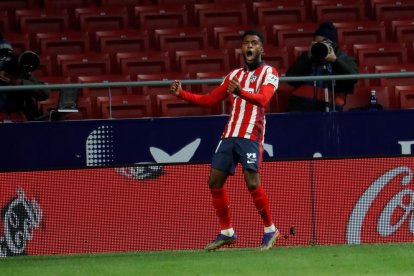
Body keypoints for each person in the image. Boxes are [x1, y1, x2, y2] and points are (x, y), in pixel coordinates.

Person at [169, 29, 280, 251]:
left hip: (251, 135)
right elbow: (210, 100)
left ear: (261, 48)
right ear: (242, 49)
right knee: (214, 182)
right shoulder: (233, 76)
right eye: (246, 43)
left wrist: (241, 93)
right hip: (229, 135)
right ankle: (227, 231)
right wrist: (183, 94)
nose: (249, 46)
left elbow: (264, 99)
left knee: (252, 183)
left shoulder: (270, 72)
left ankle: (270, 230)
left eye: (254, 43)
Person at [285, 21, 359, 112]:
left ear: (333, 45)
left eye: (323, 43)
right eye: (316, 43)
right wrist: (308, 58)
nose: (320, 46)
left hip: (332, 110)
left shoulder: (343, 59)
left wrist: (335, 61)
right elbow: (290, 79)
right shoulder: (307, 57)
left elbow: (353, 78)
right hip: (301, 109)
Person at [0, 37, 50, 122]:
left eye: (9, 56)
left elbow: (45, 93)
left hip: (21, 119)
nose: (5, 60)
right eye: (2, 57)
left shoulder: (21, 71)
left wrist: (19, 82)